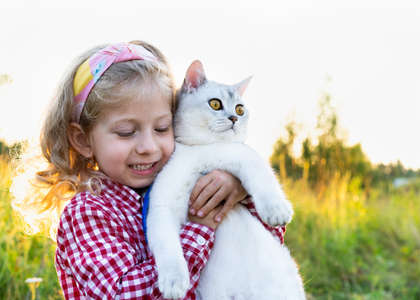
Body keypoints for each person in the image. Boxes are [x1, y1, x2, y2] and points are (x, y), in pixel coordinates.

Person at [16, 41, 285, 299]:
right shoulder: (89, 212)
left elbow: (268, 244)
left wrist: (239, 191)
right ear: (83, 140)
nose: (148, 147)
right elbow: (123, 295)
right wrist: (200, 227)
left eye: (161, 128)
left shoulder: (180, 176)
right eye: (126, 132)